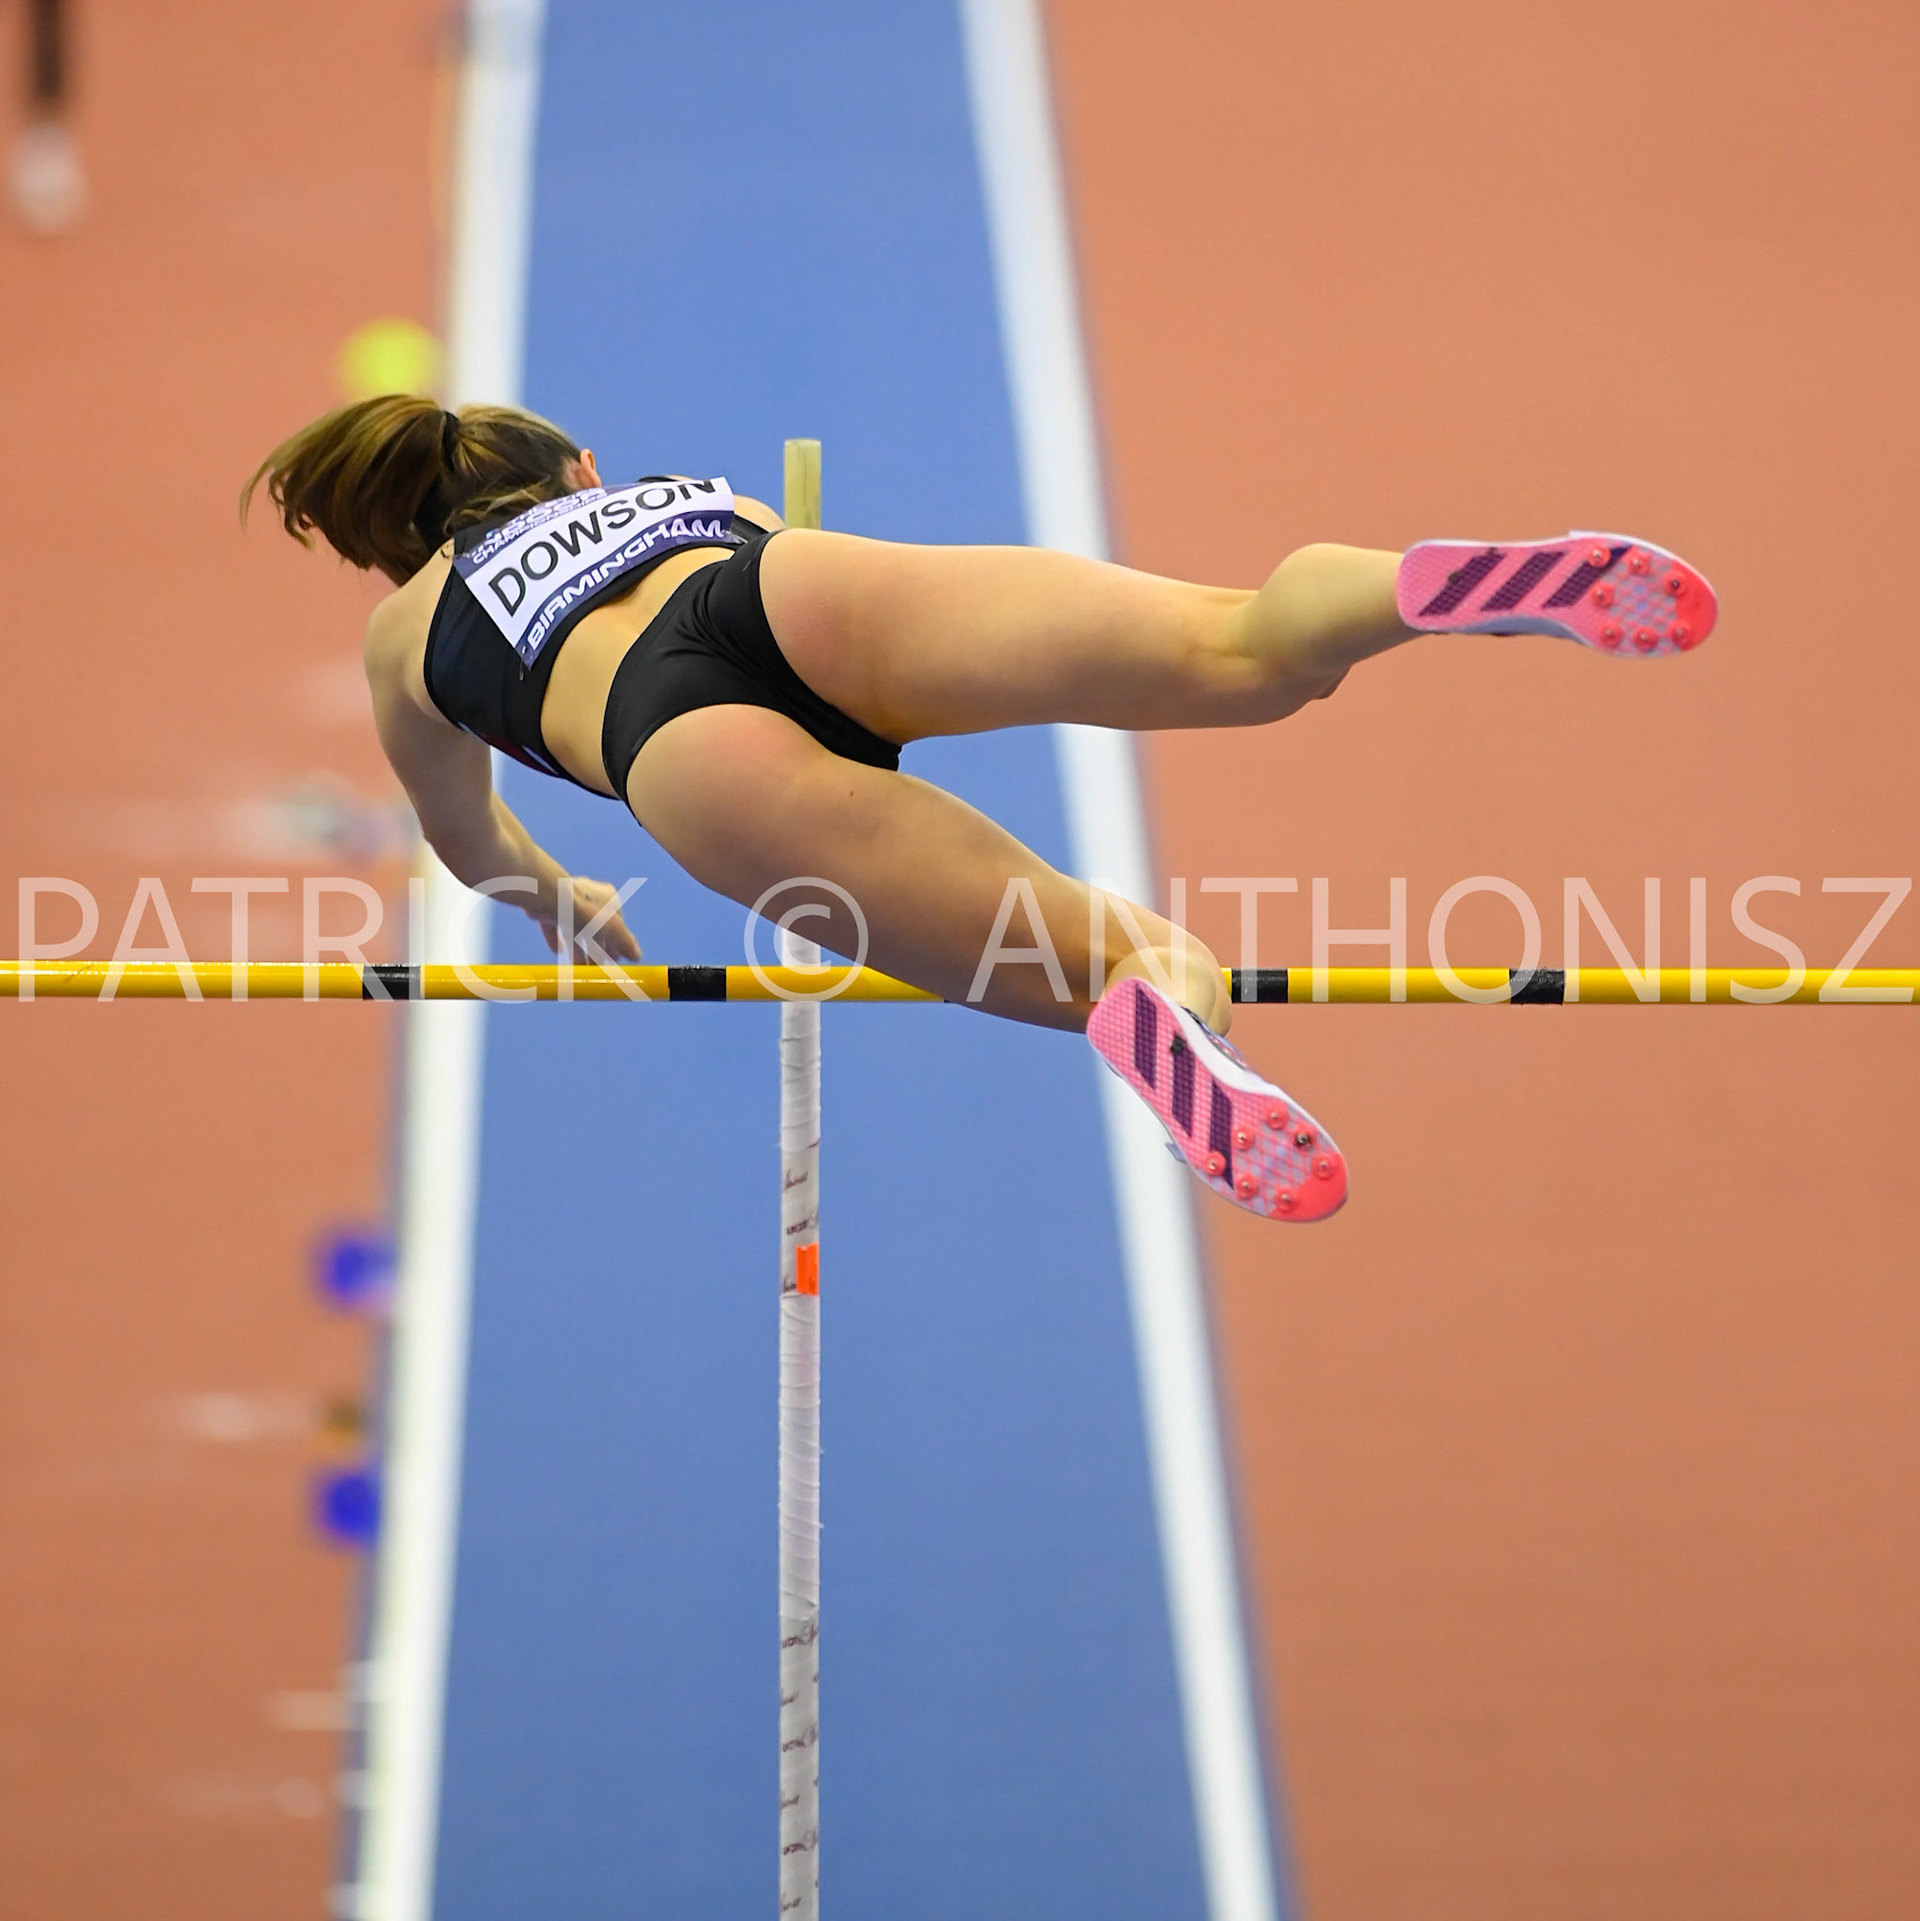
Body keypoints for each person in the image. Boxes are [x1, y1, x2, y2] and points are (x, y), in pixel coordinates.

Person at [245, 395, 1716, 1222]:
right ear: (576, 474)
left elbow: (466, 841)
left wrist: (565, 906)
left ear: (404, 547)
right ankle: (1416, 588)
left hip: (680, 756)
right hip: (782, 582)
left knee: (1114, 960)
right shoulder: (663, 487)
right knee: (1246, 647)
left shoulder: (405, 638)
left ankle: (1161, 1018)